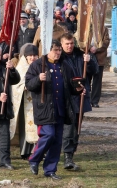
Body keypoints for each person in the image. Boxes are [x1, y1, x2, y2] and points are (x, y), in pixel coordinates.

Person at [25, 40, 84, 180]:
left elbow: (71, 86)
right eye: (55, 50)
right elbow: (29, 84)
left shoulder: (65, 66)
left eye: (59, 50)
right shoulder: (37, 65)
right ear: (48, 50)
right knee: (48, 135)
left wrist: (79, 89)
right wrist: (38, 79)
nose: (58, 53)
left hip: (60, 109)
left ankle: (50, 169)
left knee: (57, 141)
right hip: (45, 109)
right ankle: (34, 159)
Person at [60, 33, 98, 170]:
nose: (69, 46)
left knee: (76, 127)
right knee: (68, 127)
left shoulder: (81, 55)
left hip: (81, 96)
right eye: (66, 44)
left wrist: (90, 61)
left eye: (71, 43)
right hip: (67, 97)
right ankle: (67, 156)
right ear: (62, 44)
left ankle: (71, 152)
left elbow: (94, 71)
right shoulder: (59, 57)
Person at [10, 44, 39, 160]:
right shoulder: (21, 67)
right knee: (25, 127)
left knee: (35, 127)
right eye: (30, 56)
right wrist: (25, 87)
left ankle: (34, 151)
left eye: (35, 55)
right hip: (24, 102)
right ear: (26, 56)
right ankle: (25, 151)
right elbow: (17, 84)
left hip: (36, 102)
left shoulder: (39, 66)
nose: (32, 58)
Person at [90, 26, 110, 108]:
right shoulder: (87, 26)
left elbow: (106, 42)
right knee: (86, 80)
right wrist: (89, 48)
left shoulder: (104, 29)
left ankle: (94, 101)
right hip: (87, 58)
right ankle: (85, 100)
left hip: (99, 59)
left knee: (97, 81)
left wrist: (97, 48)